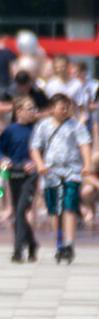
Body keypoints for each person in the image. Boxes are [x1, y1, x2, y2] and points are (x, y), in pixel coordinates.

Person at [30, 93, 94, 263]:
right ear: (52, 109)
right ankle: (58, 243)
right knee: (54, 209)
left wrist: (87, 164)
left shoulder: (76, 126)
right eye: (61, 108)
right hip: (51, 172)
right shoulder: (44, 126)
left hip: (71, 171)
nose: (64, 111)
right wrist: (40, 164)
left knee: (69, 206)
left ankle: (69, 243)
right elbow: (35, 148)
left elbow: (84, 145)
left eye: (66, 108)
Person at [0, 96, 41, 262]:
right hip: (14, 173)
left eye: (34, 108)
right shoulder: (10, 130)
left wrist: (35, 163)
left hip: (30, 175)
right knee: (17, 211)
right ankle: (32, 243)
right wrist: (2, 160)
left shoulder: (38, 129)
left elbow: (44, 150)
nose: (33, 112)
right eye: (29, 109)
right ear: (18, 112)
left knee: (21, 210)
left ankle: (18, 250)